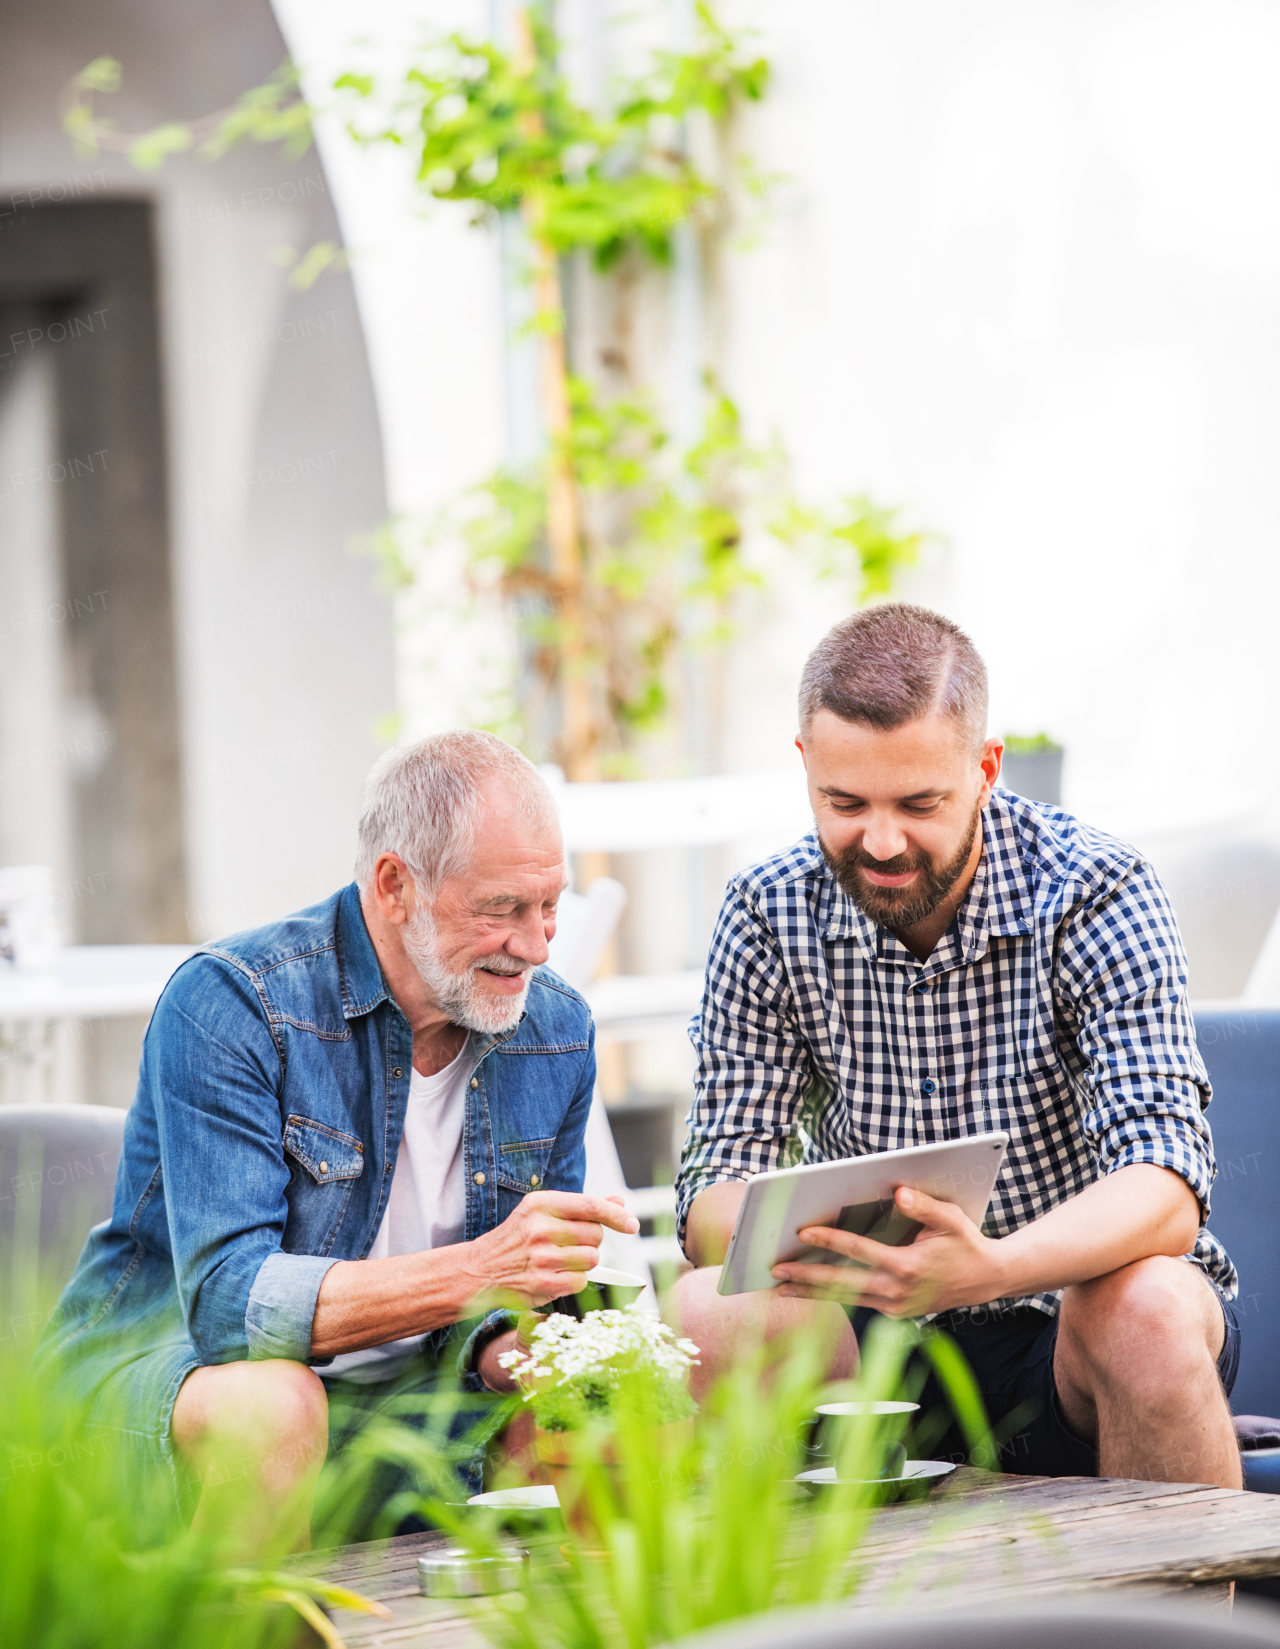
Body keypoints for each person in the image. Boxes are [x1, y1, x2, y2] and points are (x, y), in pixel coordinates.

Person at [673, 605, 1242, 1489]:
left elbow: (1164, 1183)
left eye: (921, 803)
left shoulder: (1098, 888)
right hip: (864, 1333)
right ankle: (794, 1626)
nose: (884, 842)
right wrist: (844, 1250)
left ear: (985, 770)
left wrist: (989, 1269)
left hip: (1067, 1327)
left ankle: (1182, 1632)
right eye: (845, 803)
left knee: (1153, 1306)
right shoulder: (764, 910)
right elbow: (712, 1193)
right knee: (705, 1310)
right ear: (805, 768)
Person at [41, 731, 637, 1547]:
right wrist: (482, 1271)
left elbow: (523, 1298)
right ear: (395, 885)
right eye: (501, 911)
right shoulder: (234, 1005)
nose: (535, 945)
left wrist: (516, 1345)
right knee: (277, 1406)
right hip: (176, 1377)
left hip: (412, 1387)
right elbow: (228, 1309)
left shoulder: (555, 1026)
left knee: (592, 1403)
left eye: (550, 907)